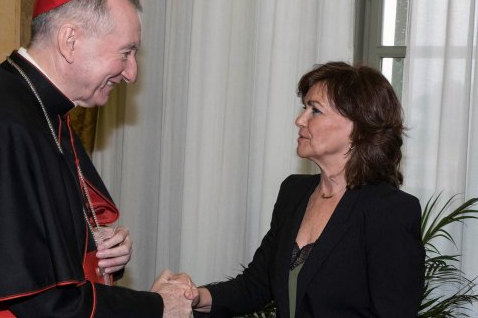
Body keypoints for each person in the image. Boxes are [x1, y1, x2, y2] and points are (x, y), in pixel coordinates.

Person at [0, 0, 192, 317]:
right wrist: (157, 307)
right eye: (126, 53)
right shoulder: (3, 126)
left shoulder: (38, 110)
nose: (131, 73)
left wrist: (90, 247)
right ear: (70, 40)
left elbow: (35, 251)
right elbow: (41, 301)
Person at [167, 62, 425, 317]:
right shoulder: (294, 192)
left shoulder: (390, 210)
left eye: (315, 110)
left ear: (357, 127)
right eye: (304, 108)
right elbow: (256, 285)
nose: (300, 119)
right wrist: (195, 297)